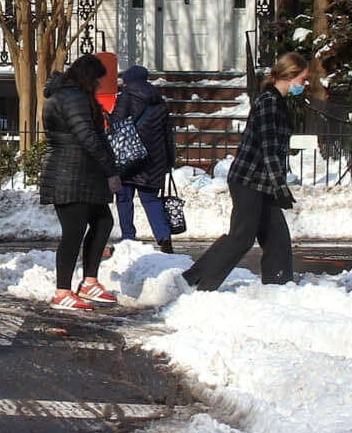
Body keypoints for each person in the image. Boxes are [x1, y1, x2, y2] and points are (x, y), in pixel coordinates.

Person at [183, 53, 308, 292]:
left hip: (264, 181)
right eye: (302, 80)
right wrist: (280, 188)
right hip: (249, 180)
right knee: (241, 237)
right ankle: (201, 283)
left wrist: (277, 186)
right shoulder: (269, 102)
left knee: (277, 237)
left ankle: (279, 285)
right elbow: (268, 149)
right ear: (290, 77)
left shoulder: (278, 101)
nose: (304, 85)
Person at [39, 53, 123, 309]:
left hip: (81, 174)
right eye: (97, 80)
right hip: (71, 174)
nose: (99, 85)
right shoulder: (73, 98)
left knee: (103, 222)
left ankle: (88, 282)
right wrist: (110, 170)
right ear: (88, 77)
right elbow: (87, 136)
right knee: (73, 233)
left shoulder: (69, 95)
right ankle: (62, 290)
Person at [110, 65, 177, 254]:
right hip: (154, 158)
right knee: (150, 199)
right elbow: (167, 133)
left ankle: (129, 238)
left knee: (124, 198)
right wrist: (169, 160)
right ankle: (163, 236)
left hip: (129, 155)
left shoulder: (126, 97)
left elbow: (117, 124)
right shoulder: (159, 101)